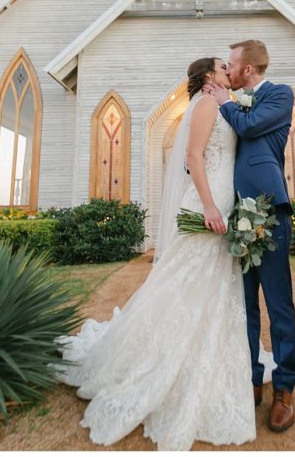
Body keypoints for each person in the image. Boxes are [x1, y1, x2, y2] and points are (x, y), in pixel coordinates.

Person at [56, 56, 275, 451]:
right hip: (209, 205)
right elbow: (194, 157)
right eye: (223, 65)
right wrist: (209, 206)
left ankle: (209, 360)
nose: (229, 67)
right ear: (209, 75)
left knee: (212, 288)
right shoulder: (207, 104)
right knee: (184, 284)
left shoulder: (224, 102)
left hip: (226, 201)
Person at [204, 39, 295, 433]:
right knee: (244, 305)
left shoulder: (279, 95)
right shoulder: (235, 101)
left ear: (247, 69)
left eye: (232, 64)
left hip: (270, 212)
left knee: (278, 304)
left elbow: (249, 125)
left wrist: (225, 100)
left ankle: (284, 389)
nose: (228, 69)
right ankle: (250, 378)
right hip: (236, 214)